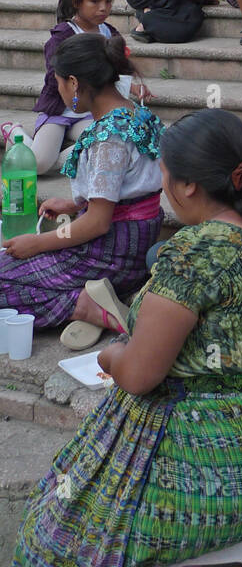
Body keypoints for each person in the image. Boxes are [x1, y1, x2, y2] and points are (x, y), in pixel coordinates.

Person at [6, 108, 242, 567]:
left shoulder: (196, 253)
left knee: (58, 525)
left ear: (187, 187)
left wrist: (109, 355)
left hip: (216, 465)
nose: (161, 186)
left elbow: (140, 375)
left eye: (163, 175)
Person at [0, 34, 164, 344]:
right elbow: (125, 189)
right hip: (129, 244)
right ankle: (99, 297)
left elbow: (98, 222)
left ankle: (83, 304)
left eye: (59, 82)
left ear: (74, 83)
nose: (58, 89)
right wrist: (75, 204)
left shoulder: (108, 138)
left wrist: (38, 243)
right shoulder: (134, 113)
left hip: (109, 253)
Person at [1, 0, 148, 174]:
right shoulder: (62, 36)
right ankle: (13, 131)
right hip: (61, 110)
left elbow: (117, 69)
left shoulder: (110, 34)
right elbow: (55, 76)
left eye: (108, 1)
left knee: (105, 141)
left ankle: (64, 159)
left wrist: (132, 85)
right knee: (39, 165)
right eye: (95, 1)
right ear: (77, 2)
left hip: (91, 109)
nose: (103, 8)